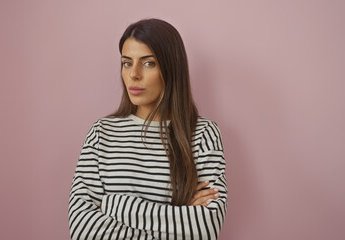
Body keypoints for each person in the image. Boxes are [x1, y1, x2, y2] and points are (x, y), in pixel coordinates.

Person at [68, 18, 228, 239]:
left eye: (148, 63)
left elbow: (205, 229)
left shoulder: (203, 134)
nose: (134, 74)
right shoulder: (101, 133)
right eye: (126, 62)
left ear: (171, 68)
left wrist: (116, 205)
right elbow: (81, 230)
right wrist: (180, 217)